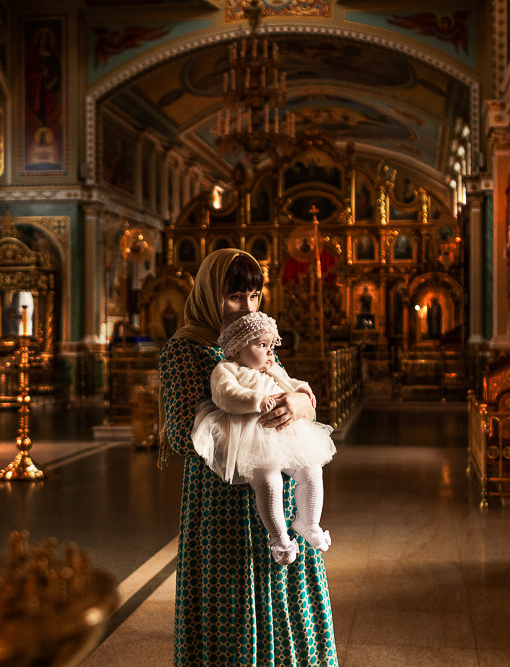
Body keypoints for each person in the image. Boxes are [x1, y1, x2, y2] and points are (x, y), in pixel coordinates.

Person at [159, 248, 337, 665]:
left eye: (253, 296)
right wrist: (252, 420)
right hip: (222, 496)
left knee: (287, 577)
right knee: (234, 594)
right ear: (209, 292)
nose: (246, 307)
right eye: (235, 296)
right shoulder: (186, 350)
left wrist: (296, 406)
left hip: (281, 485)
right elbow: (183, 436)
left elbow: (299, 394)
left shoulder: (256, 337)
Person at [191, 310, 334, 565]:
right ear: (235, 349)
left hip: (286, 436)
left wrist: (302, 390)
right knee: (269, 484)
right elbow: (226, 396)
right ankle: (280, 539)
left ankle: (309, 522)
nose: (270, 352)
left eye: (271, 344)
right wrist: (257, 400)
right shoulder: (226, 369)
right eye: (262, 344)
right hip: (250, 439)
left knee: (311, 471)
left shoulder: (271, 367)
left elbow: (290, 381)